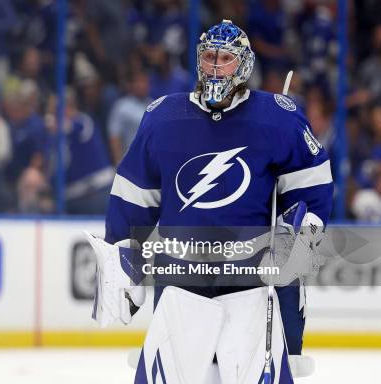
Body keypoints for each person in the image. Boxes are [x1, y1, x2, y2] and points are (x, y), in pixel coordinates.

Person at [85, 20, 333, 383]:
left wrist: (299, 235)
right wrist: (121, 252)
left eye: (226, 58)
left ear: (244, 65)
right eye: (210, 56)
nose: (216, 66)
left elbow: (312, 186)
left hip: (251, 278)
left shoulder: (279, 118)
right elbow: (132, 194)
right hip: (180, 277)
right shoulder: (163, 117)